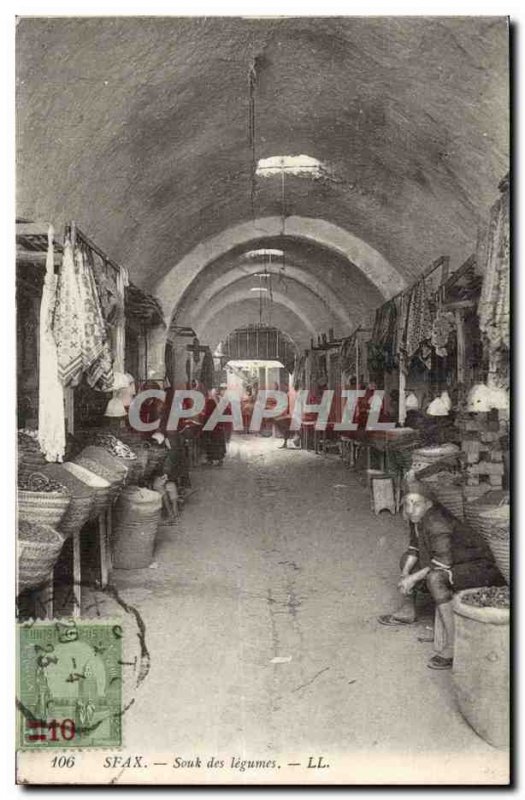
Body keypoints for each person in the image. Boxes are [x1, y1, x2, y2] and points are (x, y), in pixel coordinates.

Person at [378, 480, 503, 670]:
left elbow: (440, 563)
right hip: (451, 562)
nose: (411, 509)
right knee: (406, 559)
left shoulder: (437, 522)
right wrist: (405, 574)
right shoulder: (416, 518)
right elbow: (414, 549)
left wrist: (412, 579)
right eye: (407, 503)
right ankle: (408, 611)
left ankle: (452, 647)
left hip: (477, 567)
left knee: (435, 578)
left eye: (416, 503)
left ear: (428, 504)